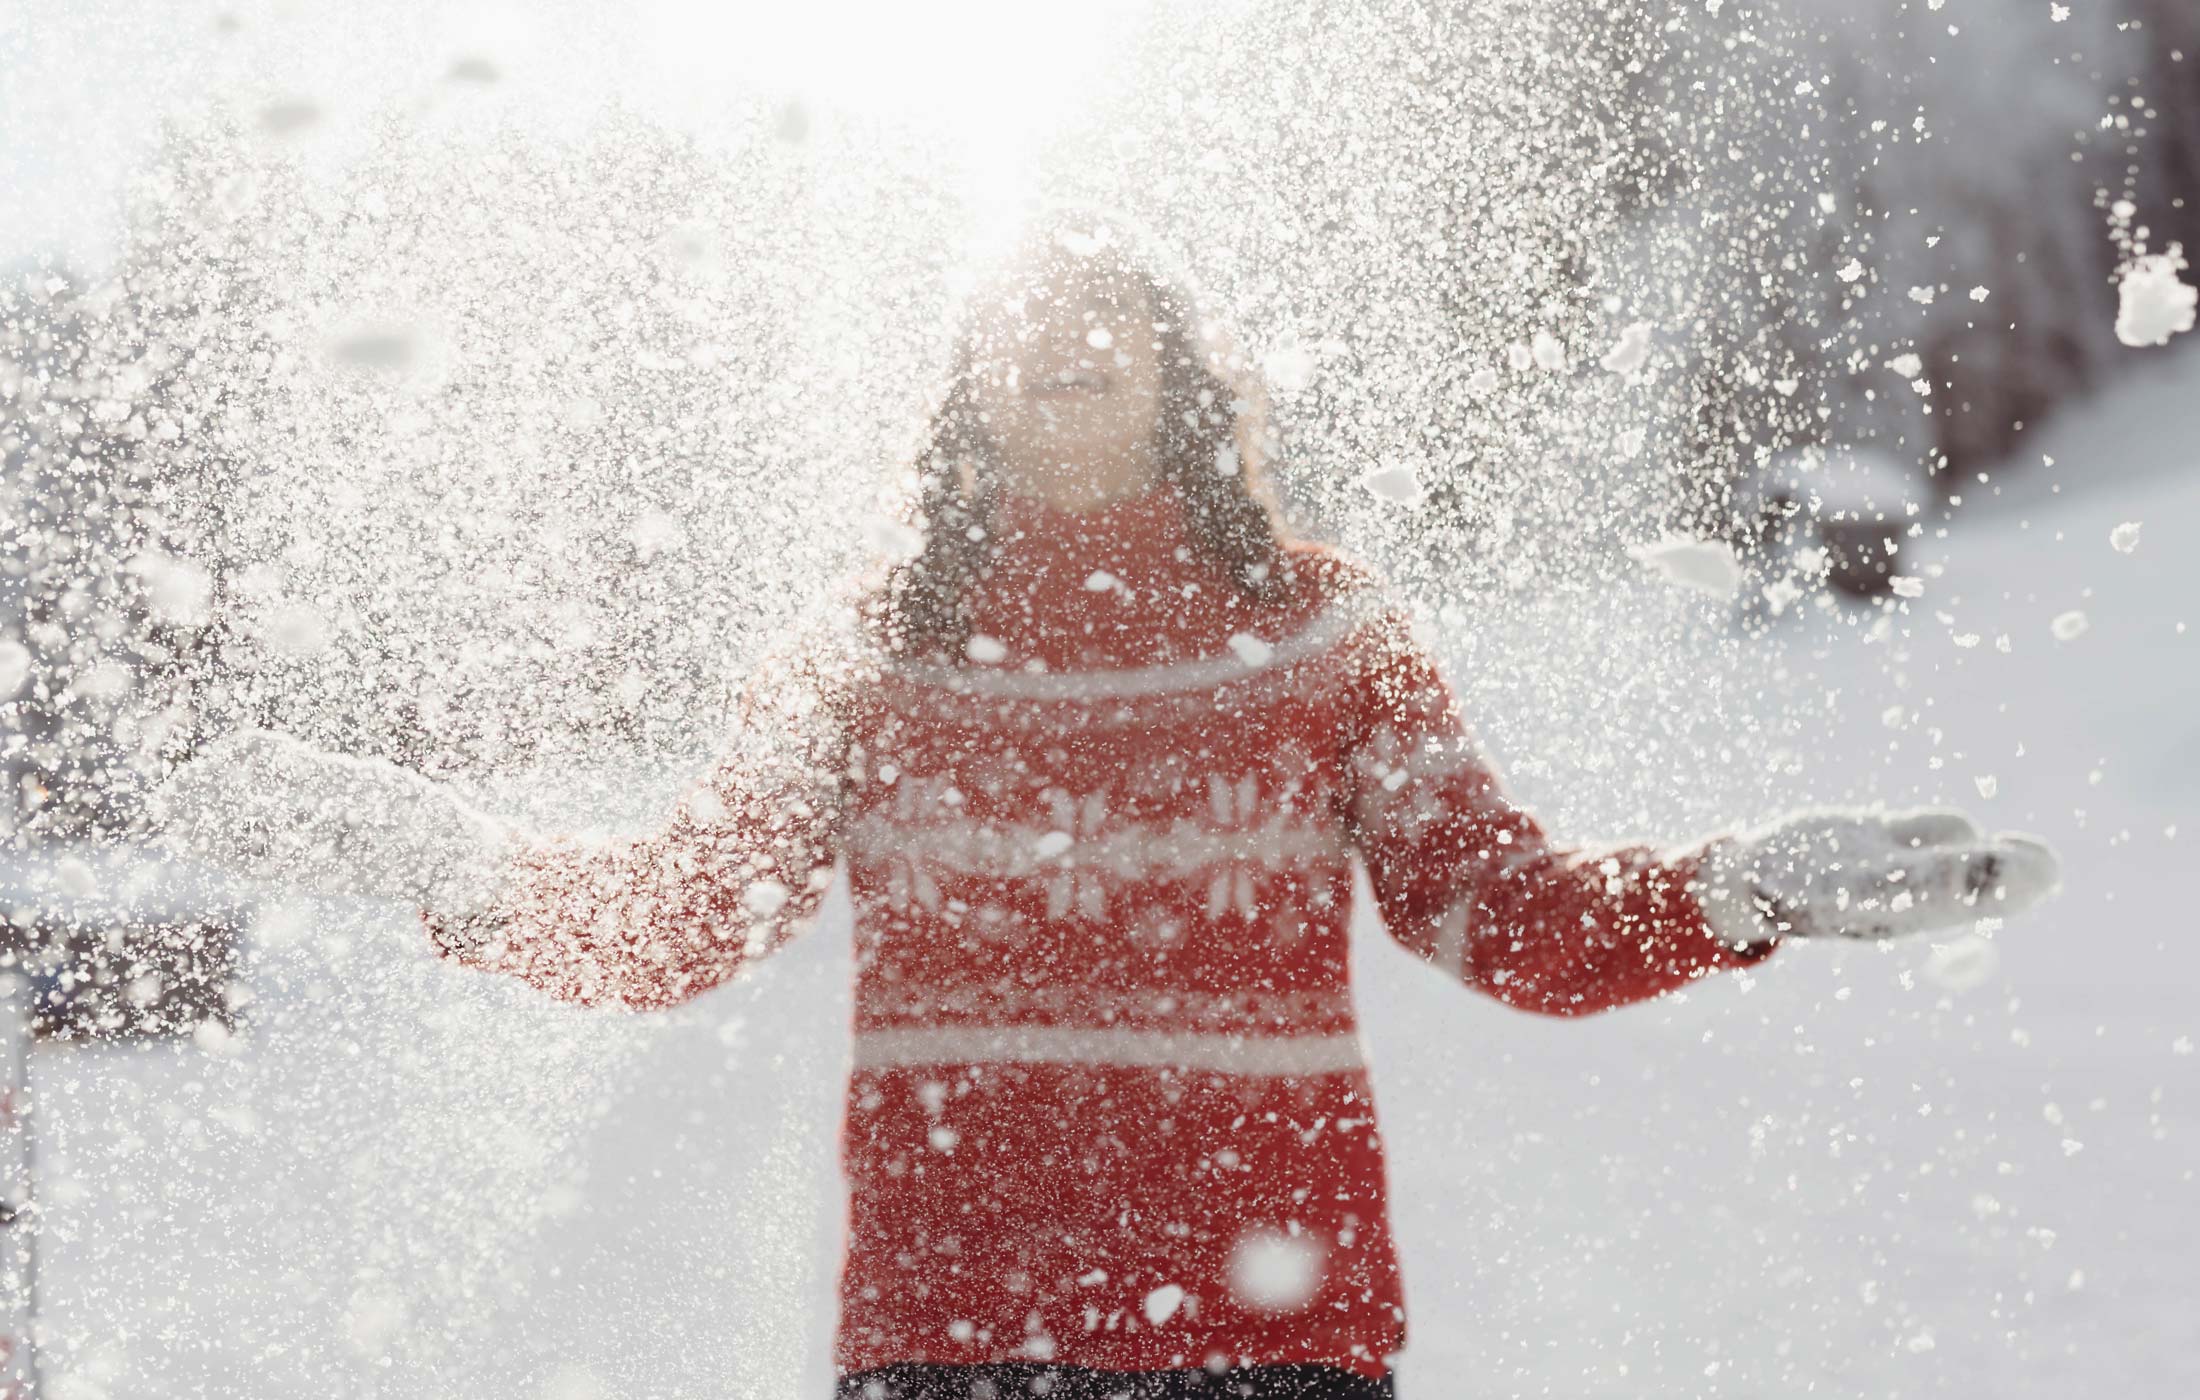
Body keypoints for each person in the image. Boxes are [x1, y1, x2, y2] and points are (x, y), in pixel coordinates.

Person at [158, 210, 2060, 1399]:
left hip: (1276, 1343)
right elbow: (686, 918)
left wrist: (1746, 890)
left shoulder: (1325, 635)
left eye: (1105, 337)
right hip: (950, 1343)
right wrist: (454, 870)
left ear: (1175, 374)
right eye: (1024, 343)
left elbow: (1507, 920)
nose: (1065, 365)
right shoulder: (865, 656)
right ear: (965, 396)